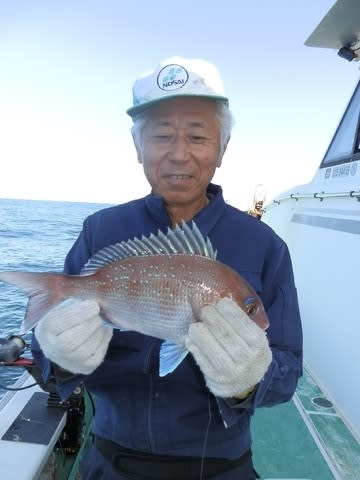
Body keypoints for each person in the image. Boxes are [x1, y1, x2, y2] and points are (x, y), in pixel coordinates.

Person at [31, 56, 303, 480]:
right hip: (109, 459)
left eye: (197, 136)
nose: (179, 154)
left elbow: (287, 370)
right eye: (161, 135)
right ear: (138, 146)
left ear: (222, 148)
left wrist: (251, 378)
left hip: (221, 467)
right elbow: (47, 360)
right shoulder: (99, 230)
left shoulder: (265, 246)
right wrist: (59, 357)